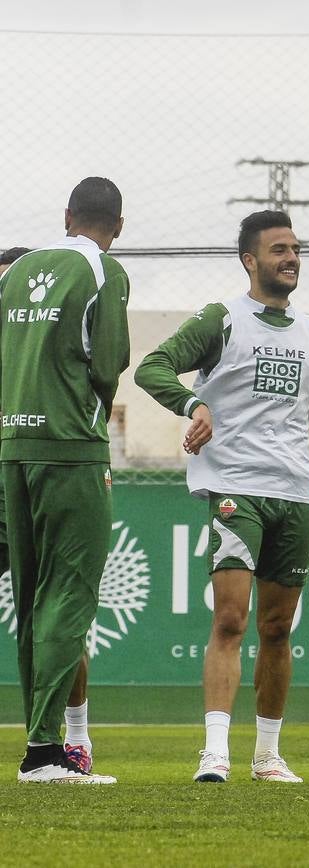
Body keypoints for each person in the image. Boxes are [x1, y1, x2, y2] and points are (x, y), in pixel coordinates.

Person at [136, 210, 309, 784]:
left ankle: (267, 755)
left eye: (296, 249)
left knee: (278, 628)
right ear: (250, 261)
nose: (291, 258)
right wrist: (192, 405)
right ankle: (214, 750)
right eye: (278, 249)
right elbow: (152, 367)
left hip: (297, 492)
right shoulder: (222, 320)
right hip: (235, 487)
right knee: (231, 619)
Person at [2, 180, 128, 784]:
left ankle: (40, 746)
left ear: (67, 216)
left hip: (11, 445)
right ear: (118, 225)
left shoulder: (16, 271)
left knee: (30, 598)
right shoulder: (104, 270)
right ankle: (45, 753)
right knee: (69, 594)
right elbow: (109, 362)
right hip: (71, 447)